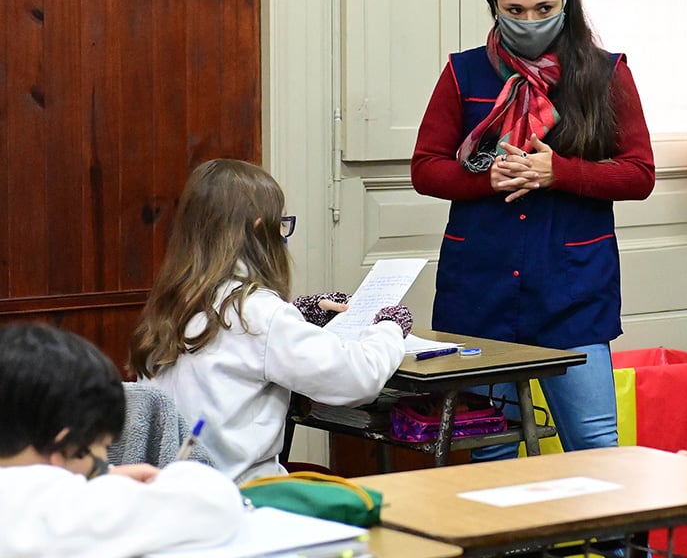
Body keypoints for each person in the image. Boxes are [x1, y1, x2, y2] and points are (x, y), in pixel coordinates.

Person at [411, 0, 655, 461]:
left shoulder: (605, 73)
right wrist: (486, 179)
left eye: (543, 8)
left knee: (594, 447)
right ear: (494, 5)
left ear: (566, 1)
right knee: (490, 452)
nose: (529, 20)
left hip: (572, 295)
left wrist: (557, 172)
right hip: (482, 291)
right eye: (515, 9)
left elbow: (639, 175)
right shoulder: (463, 72)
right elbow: (425, 169)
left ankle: (607, 548)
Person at [129, 158, 411, 483]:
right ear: (260, 229)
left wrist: (298, 312)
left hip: (175, 488)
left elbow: (235, 342)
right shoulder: (260, 314)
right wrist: (390, 327)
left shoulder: (174, 302)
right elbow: (356, 379)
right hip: (245, 496)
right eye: (282, 225)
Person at [0, 322, 243, 558]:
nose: (106, 461)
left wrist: (110, 474)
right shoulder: (61, 509)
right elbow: (215, 505)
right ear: (66, 445)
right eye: (104, 447)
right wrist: (171, 477)